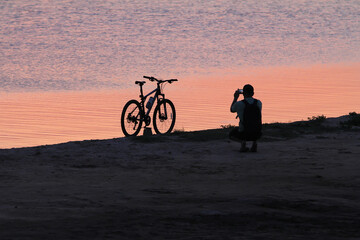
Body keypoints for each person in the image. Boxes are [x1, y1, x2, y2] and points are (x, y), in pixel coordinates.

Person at [230, 84, 262, 152]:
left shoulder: (239, 104)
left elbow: (232, 110)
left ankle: (243, 144)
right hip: (257, 133)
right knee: (254, 124)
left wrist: (235, 97)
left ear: (243, 93)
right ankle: (254, 143)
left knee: (231, 135)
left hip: (244, 133)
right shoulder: (259, 103)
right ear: (253, 93)